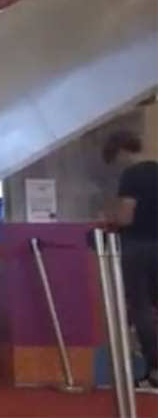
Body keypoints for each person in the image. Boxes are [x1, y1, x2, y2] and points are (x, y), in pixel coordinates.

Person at [102, 130, 158, 390]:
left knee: (141, 307)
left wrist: (111, 217)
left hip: (137, 247)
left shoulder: (132, 175)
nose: (117, 166)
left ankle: (155, 369)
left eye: (115, 160)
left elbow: (125, 217)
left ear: (121, 152)